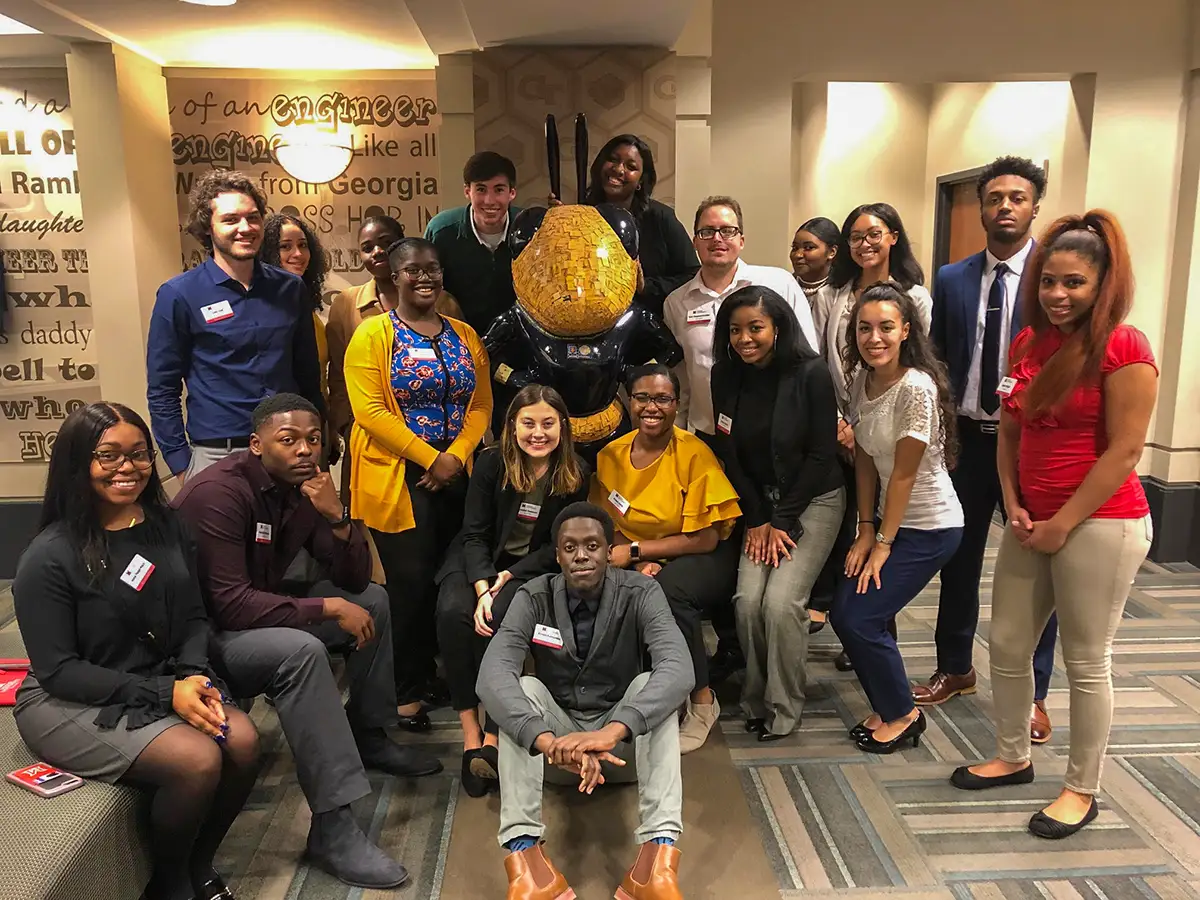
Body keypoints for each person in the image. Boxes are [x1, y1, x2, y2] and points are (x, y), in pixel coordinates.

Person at [174, 394, 440, 890]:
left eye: (313, 439)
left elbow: (354, 579)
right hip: (205, 638)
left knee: (374, 602)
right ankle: (333, 826)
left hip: (261, 607)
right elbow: (230, 605)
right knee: (304, 650)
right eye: (288, 439)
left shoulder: (304, 489)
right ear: (256, 444)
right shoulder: (218, 494)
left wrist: (338, 518)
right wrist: (327, 609)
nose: (305, 450)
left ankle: (369, 734)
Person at [950, 212, 1158, 839]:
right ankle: (1013, 755)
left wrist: (1062, 523)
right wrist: (1011, 502)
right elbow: (1008, 431)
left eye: (1074, 283)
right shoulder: (1027, 345)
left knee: (1086, 659)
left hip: (1099, 523)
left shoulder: (1125, 347)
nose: (1058, 295)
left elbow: (1125, 451)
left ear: (1104, 285)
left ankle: (1081, 788)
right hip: (1030, 520)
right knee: (1009, 644)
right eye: (1048, 283)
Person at [13, 402, 260, 900]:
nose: (127, 468)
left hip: (162, 673)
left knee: (243, 741)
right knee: (195, 760)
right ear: (77, 462)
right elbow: (60, 671)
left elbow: (193, 615)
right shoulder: (48, 557)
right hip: (71, 697)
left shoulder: (166, 525)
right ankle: (169, 885)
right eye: (108, 456)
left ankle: (198, 864)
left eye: (139, 454)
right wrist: (168, 693)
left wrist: (193, 676)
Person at [477, 502, 693, 900]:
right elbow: (492, 676)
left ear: (610, 551)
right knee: (521, 691)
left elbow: (679, 667)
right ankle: (529, 870)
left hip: (622, 752)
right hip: (557, 757)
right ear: (556, 554)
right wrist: (544, 740)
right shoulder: (533, 595)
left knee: (653, 683)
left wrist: (614, 730)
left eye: (592, 545)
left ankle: (654, 867)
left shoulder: (642, 591)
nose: (581, 556)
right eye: (570, 547)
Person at [923, 156, 1059, 744]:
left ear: (1035, 206)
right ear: (980, 208)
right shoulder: (952, 277)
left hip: (1033, 445)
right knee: (958, 558)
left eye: (1018, 197)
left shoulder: (1052, 280)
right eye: (995, 197)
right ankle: (956, 667)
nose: (1005, 205)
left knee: (1038, 568)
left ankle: (1036, 692)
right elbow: (937, 358)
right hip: (967, 444)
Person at [344, 236, 492, 726]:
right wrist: (429, 457)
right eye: (413, 270)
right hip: (398, 478)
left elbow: (482, 406)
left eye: (432, 268)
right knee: (407, 590)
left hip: (456, 476)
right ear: (394, 272)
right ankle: (405, 689)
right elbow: (369, 411)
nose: (424, 277)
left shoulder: (465, 335)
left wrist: (455, 457)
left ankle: (450, 674)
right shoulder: (373, 335)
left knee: (454, 581)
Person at [435, 385, 589, 797]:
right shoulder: (490, 464)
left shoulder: (576, 471)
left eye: (548, 423)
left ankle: (493, 735)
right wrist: (484, 582)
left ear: (562, 426)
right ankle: (470, 735)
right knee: (454, 613)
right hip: (476, 558)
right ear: (512, 426)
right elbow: (474, 532)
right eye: (528, 423)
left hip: (529, 567)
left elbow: (558, 545)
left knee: (500, 617)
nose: (538, 433)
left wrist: (508, 577)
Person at [832, 283, 963, 754]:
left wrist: (883, 541)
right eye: (864, 328)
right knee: (861, 610)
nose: (874, 337)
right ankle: (891, 702)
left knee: (857, 616)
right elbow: (865, 458)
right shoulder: (861, 380)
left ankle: (903, 715)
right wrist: (865, 528)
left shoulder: (916, 388)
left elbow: (904, 474)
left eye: (886, 327)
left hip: (930, 526)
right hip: (889, 519)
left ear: (906, 331)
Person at [710, 286, 845, 740]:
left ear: (778, 328)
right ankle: (756, 697)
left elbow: (822, 456)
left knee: (781, 604)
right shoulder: (725, 376)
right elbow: (729, 452)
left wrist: (781, 521)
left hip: (813, 500)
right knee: (748, 604)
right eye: (735, 330)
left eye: (755, 328)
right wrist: (757, 518)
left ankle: (784, 707)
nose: (745, 339)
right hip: (759, 508)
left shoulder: (810, 374)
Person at [590, 364, 742, 753]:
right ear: (629, 402)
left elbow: (705, 538)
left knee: (671, 594)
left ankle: (702, 701)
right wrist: (638, 561)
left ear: (676, 404)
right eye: (642, 397)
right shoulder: (611, 454)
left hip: (699, 551)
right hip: (640, 555)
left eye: (662, 399)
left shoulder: (693, 453)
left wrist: (642, 553)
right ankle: (624, 697)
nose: (651, 407)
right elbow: (611, 522)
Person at [813, 202, 933, 668]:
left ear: (893, 237)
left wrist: (869, 425)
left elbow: (916, 360)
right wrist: (840, 424)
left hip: (889, 425)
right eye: (857, 236)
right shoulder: (834, 293)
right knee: (853, 529)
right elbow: (824, 362)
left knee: (888, 529)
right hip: (841, 424)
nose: (866, 244)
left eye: (874, 234)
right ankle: (857, 626)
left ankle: (878, 626)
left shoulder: (914, 296)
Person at [147, 170, 323, 484]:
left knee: (297, 535)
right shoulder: (179, 295)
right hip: (217, 455)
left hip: (287, 453)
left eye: (252, 218)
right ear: (208, 228)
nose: (245, 228)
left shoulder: (290, 289)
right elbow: (162, 390)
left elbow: (308, 374)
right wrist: (181, 464)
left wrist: (315, 443)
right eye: (230, 220)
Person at [327, 216, 461, 503]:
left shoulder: (444, 303)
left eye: (386, 243)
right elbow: (337, 376)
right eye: (367, 247)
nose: (376, 251)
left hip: (439, 447)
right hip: (373, 441)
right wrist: (348, 427)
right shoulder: (346, 304)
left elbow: (463, 371)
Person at [663, 195, 819, 443]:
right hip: (710, 435)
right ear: (694, 241)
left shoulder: (778, 284)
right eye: (707, 232)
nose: (717, 238)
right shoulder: (676, 303)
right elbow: (683, 377)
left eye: (727, 231)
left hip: (775, 434)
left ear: (741, 240)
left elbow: (809, 360)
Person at [577, 134, 699, 317]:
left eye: (631, 167)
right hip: (589, 322)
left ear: (641, 181)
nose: (618, 170)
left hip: (649, 324)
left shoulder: (660, 217)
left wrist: (646, 287)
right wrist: (557, 222)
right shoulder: (581, 214)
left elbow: (693, 275)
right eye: (613, 160)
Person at [425, 151, 521, 338]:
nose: (489, 201)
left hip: (520, 343)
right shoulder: (441, 231)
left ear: (512, 193)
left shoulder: (530, 228)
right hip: (456, 340)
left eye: (499, 190)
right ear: (467, 191)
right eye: (481, 189)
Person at [260, 213, 330, 401]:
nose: (298, 254)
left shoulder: (307, 306)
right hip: (282, 419)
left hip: (316, 415)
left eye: (303, 245)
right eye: (285, 247)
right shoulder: (263, 309)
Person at [791, 216, 840, 304]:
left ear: (832, 252)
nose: (798, 255)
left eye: (809, 247)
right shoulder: (785, 286)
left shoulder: (843, 292)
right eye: (795, 248)